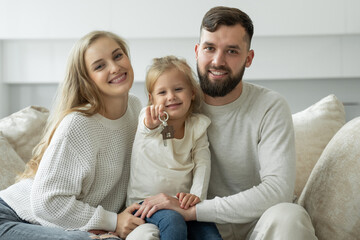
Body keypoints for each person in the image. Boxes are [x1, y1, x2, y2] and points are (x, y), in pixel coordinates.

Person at [131, 6, 318, 240]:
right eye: (210, 48)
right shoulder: (176, 104)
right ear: (197, 51)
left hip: (255, 225)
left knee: (290, 217)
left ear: (248, 59)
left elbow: (277, 190)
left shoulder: (270, 106)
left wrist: (196, 210)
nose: (217, 61)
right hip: (194, 228)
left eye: (231, 51)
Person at [0, 31, 145, 240]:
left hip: (54, 224)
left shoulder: (135, 107)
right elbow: (47, 203)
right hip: (12, 216)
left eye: (117, 56)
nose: (115, 68)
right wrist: (113, 221)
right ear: (87, 80)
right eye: (99, 66)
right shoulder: (79, 124)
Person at [126, 56, 222, 240]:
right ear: (151, 98)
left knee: (209, 232)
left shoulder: (198, 126)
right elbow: (147, 129)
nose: (171, 96)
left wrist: (195, 196)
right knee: (173, 222)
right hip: (146, 203)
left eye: (178, 89)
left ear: (192, 93)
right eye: (162, 92)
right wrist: (151, 124)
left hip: (182, 203)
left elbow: (203, 163)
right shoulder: (148, 121)